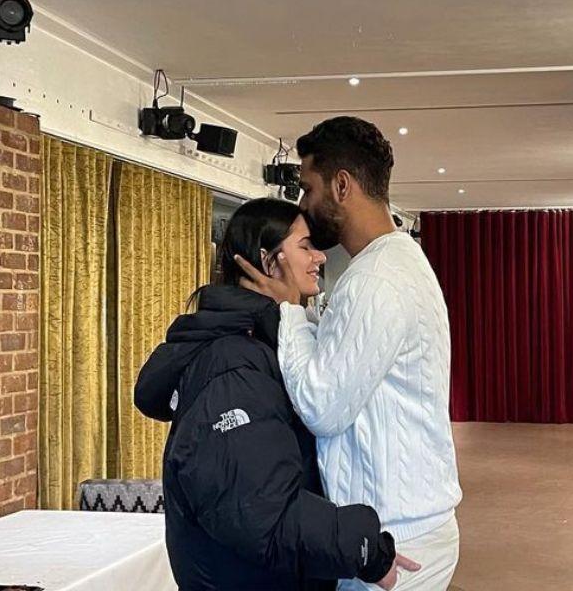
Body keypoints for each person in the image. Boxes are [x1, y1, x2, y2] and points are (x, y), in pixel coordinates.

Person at [134, 197, 419, 591]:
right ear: (269, 261)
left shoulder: (267, 344)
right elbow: (258, 508)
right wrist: (362, 548)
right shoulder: (233, 361)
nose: (319, 257)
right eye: (305, 246)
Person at [236, 117, 463, 591]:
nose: (303, 202)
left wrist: (289, 310)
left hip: (396, 534)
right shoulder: (395, 262)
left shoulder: (375, 279)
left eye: (308, 187)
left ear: (341, 185)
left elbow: (322, 406)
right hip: (404, 522)